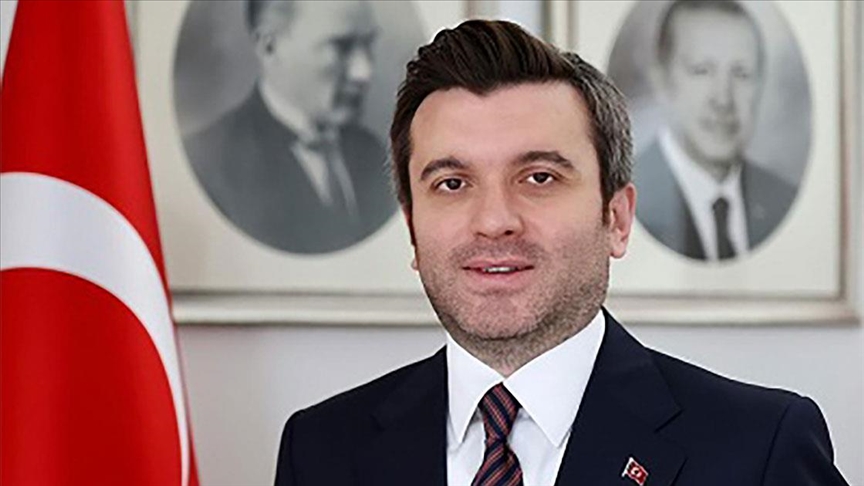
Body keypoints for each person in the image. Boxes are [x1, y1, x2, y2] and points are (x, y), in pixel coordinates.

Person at [274, 20, 848, 486]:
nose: (494, 221)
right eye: (452, 183)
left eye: (539, 177)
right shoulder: (320, 450)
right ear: (413, 231)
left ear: (616, 218)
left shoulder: (761, 448)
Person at [183, 0, 396, 254]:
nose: (363, 72)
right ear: (269, 47)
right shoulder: (212, 164)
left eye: (368, 44)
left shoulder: (375, 154)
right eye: (341, 46)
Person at [635, 0, 796, 261]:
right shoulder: (626, 196)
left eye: (741, 73)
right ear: (662, 81)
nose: (723, 99)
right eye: (702, 71)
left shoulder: (782, 200)